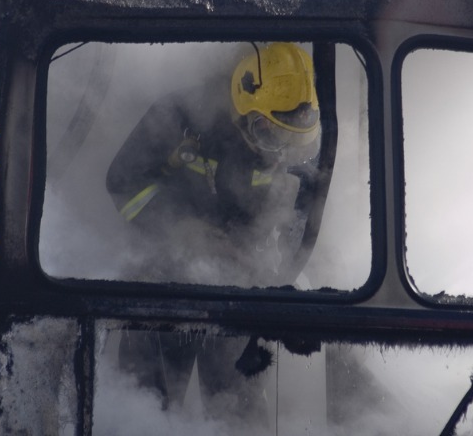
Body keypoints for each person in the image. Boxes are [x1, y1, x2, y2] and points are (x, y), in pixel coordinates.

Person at [105, 42, 321, 423]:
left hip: (239, 292)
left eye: (292, 141)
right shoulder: (180, 117)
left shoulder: (298, 136)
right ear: (243, 104)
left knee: (240, 418)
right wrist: (181, 229)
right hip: (162, 290)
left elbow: (304, 222)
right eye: (270, 135)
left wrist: (275, 271)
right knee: (144, 413)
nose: (279, 151)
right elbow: (123, 183)